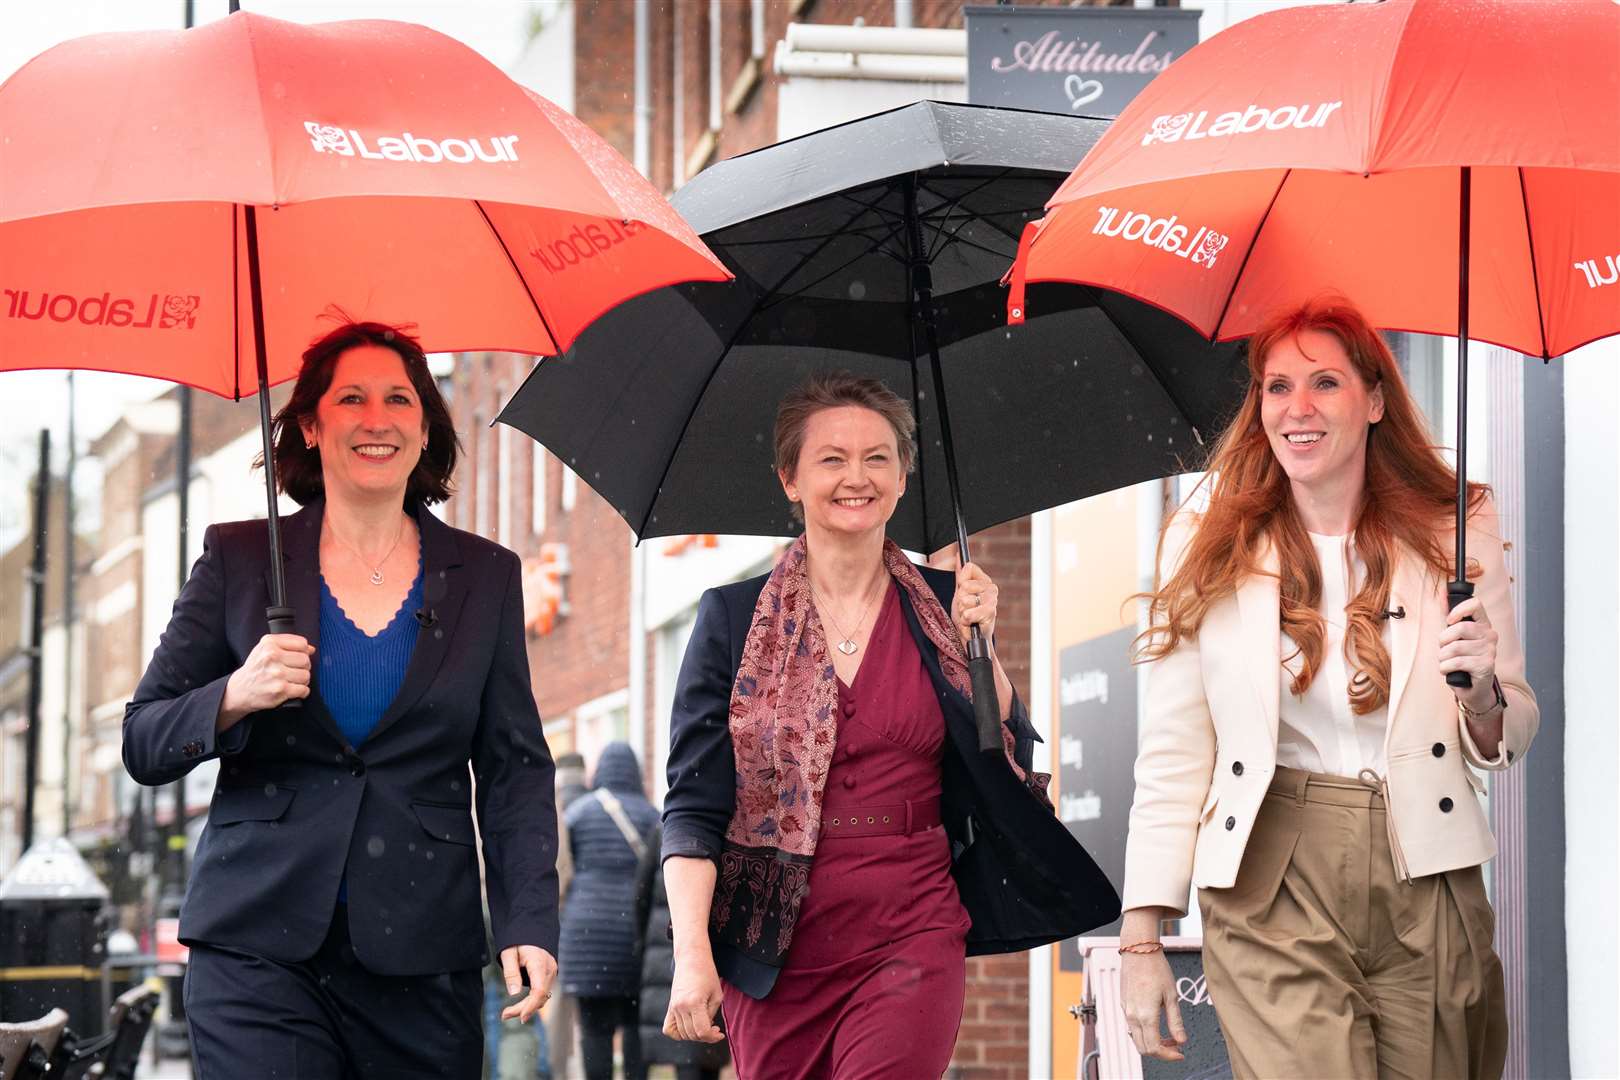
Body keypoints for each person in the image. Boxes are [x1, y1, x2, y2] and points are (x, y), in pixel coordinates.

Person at [123, 321, 560, 1078]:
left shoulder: (487, 577)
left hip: (422, 952)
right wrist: (233, 696)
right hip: (258, 947)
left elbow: (514, 766)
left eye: (398, 398)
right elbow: (143, 738)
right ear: (313, 425)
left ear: (426, 429)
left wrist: (527, 918)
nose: (375, 418)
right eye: (349, 397)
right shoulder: (239, 560)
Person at [1118, 299, 1538, 1078]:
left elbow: (1505, 736)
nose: (1297, 410)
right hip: (1273, 874)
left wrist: (1481, 689)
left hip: (1428, 869)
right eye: (1277, 387)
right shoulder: (1206, 538)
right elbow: (1174, 752)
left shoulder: (1458, 526)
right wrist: (1142, 938)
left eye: (1324, 383)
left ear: (1375, 400)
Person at [658, 372, 1118, 1079]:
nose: (857, 477)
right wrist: (692, 957)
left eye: (878, 458)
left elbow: (1007, 756)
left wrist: (983, 644)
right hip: (773, 946)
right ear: (790, 478)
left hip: (910, 928)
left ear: (904, 477)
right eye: (832, 459)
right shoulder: (731, 619)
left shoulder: (947, 607)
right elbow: (693, 804)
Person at [558, 742, 660, 1080]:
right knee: (634, 1027)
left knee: (594, 1031)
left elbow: (562, 868)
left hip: (587, 941)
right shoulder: (653, 817)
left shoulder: (579, 812)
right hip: (634, 937)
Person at [633, 825, 730, 1080]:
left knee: (687, 1047)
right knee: (703, 1046)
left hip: (667, 952)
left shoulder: (664, 831)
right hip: (710, 952)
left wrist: (644, 943)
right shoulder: (728, 827)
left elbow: (640, 896)